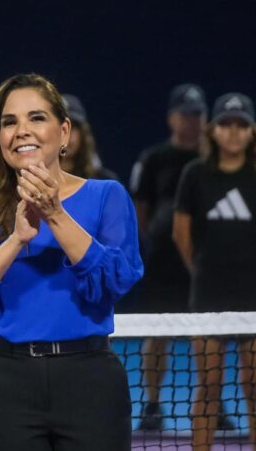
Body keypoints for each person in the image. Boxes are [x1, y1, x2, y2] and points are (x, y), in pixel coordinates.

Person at [0, 73, 143, 451]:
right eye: (8, 122)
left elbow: (115, 283)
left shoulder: (106, 196)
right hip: (3, 384)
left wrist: (56, 215)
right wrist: (15, 240)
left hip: (89, 382)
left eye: (36, 118)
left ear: (64, 132)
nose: (21, 131)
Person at [123, 84, 220, 431]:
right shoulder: (153, 159)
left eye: (198, 115)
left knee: (209, 335)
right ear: (171, 118)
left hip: (208, 263)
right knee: (157, 333)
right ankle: (152, 403)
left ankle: (214, 401)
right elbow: (139, 209)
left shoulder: (215, 160)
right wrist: (148, 242)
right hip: (163, 262)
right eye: (185, 114)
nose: (192, 121)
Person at [173, 92, 256, 450]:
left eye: (241, 125)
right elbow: (181, 234)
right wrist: (204, 271)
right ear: (213, 130)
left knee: (254, 389)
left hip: (254, 300)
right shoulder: (195, 175)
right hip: (208, 298)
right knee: (207, 387)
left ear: (252, 131)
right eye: (226, 124)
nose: (233, 133)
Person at [60, 94, 119, 181]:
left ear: (83, 134)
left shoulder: (104, 184)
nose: (66, 135)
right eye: (60, 127)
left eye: (73, 127)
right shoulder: (34, 182)